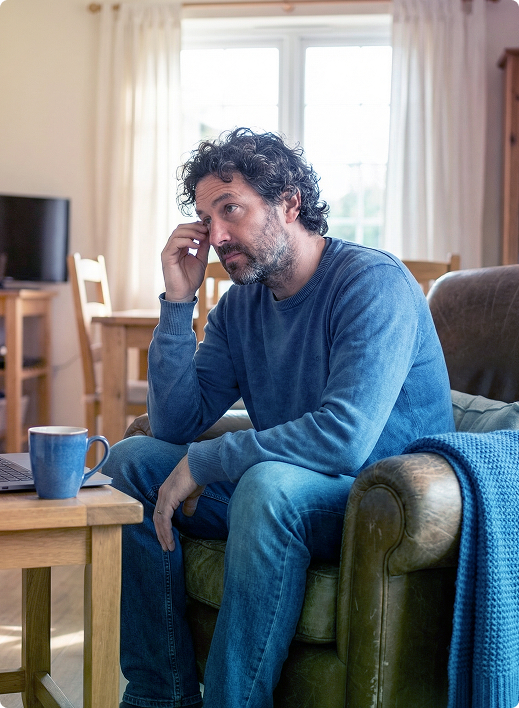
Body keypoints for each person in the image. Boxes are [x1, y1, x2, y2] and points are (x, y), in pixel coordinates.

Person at [106, 127, 455, 708]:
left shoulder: (373, 284)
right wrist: (177, 304)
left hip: (377, 499)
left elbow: (344, 439)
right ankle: (157, 695)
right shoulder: (241, 305)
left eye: (231, 210)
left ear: (289, 202)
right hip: (284, 486)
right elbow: (172, 425)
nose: (215, 236)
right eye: (205, 218)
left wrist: (210, 460)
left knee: (267, 487)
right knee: (129, 463)